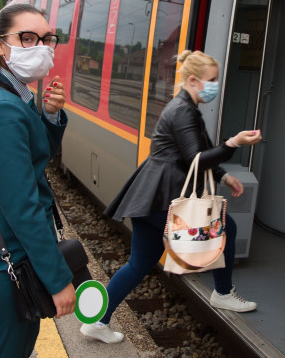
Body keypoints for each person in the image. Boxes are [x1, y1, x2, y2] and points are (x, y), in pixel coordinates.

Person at [79, 50, 262, 344]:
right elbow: (195, 159)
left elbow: (197, 152)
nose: (215, 85)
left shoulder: (185, 108)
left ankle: (97, 322)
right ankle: (223, 293)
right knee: (227, 227)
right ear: (192, 80)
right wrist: (233, 143)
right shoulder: (183, 111)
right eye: (211, 80)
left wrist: (223, 176)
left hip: (149, 195)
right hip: (163, 197)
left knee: (139, 263)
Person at [0, 3, 74, 357]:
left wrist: (49, 116)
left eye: (47, 38)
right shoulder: (3, 108)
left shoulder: (11, 96)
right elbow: (22, 206)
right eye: (27, 38)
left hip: (5, 256)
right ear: (0, 45)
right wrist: (58, 279)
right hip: (2, 263)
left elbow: (31, 163)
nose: (41, 47)